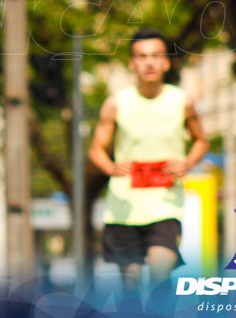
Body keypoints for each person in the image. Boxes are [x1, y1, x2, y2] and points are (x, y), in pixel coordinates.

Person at [89, 28, 209, 292]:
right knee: (129, 286)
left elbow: (202, 140)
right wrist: (111, 167)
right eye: (142, 56)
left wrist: (187, 163)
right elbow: (96, 149)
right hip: (124, 208)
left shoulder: (183, 101)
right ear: (132, 64)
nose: (149, 62)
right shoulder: (115, 104)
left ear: (166, 62)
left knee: (160, 272)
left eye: (155, 56)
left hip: (165, 206)